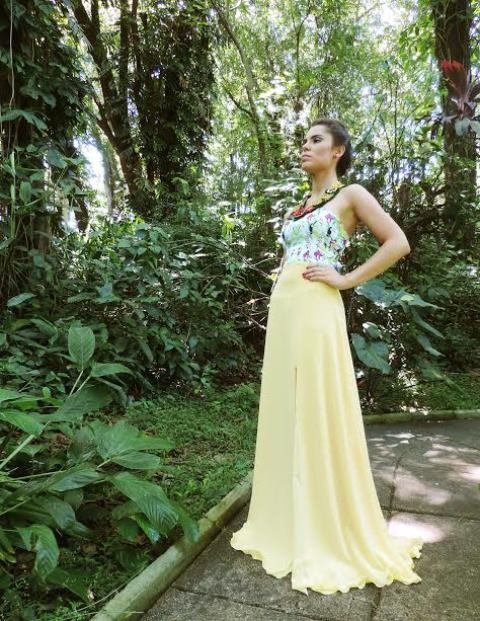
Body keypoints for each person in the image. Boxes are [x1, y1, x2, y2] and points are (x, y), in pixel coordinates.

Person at [230, 118, 424, 596]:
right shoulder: (299, 207)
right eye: (304, 140)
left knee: (317, 405)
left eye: (316, 139)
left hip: (318, 308)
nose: (305, 146)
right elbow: (290, 257)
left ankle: (326, 524)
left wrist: (346, 279)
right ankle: (285, 519)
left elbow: (398, 243)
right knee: (285, 407)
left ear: (338, 150)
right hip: (285, 310)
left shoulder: (351, 194)